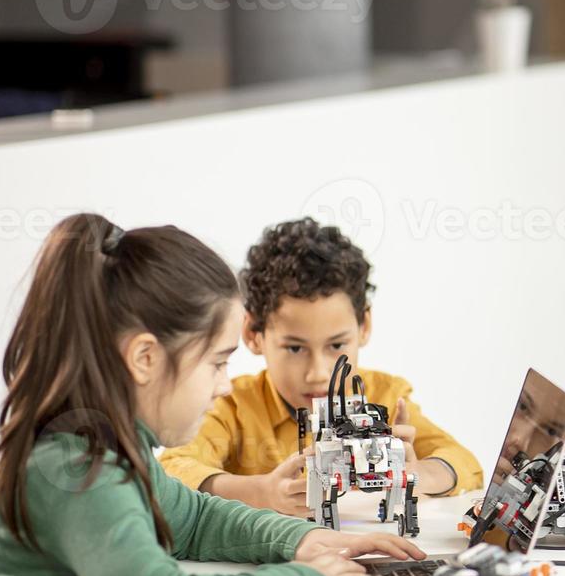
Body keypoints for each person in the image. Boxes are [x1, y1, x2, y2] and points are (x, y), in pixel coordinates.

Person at [0, 214, 424, 576]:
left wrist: (306, 539)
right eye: (216, 364)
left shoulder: (109, 449)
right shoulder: (78, 472)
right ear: (146, 358)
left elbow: (195, 517)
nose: (225, 386)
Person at [160, 218, 483, 511]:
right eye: (295, 347)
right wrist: (259, 492)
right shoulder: (233, 408)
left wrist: (418, 474)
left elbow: (463, 462)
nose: (318, 374)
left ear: (364, 326)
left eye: (337, 345)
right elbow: (172, 469)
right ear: (253, 333)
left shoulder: (385, 396)